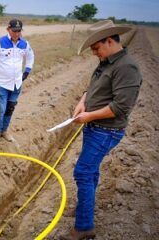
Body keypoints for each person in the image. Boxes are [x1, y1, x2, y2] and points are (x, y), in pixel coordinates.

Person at [60, 20, 142, 240]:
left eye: (96, 48)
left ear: (109, 40)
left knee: (83, 172)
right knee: (91, 171)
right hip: (94, 127)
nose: (94, 53)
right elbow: (94, 87)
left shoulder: (127, 67)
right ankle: (84, 209)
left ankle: (84, 227)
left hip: (106, 131)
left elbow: (121, 106)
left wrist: (89, 116)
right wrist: (82, 102)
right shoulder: (107, 62)